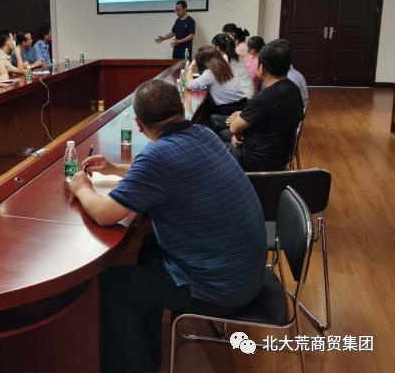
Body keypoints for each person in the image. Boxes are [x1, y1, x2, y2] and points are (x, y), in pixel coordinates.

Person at [68, 79, 266, 373]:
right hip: (247, 271)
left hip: (222, 290)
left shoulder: (157, 157)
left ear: (138, 124)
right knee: (149, 247)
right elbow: (163, 172)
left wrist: (81, 187)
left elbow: (104, 214)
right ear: (181, 109)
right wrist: (114, 169)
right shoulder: (203, 134)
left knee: (113, 288)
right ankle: (149, 352)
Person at [228, 39, 304, 171]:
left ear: (261, 68)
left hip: (254, 160)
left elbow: (234, 128)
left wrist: (237, 130)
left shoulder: (266, 96)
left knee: (212, 147)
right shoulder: (293, 89)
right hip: (278, 155)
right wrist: (244, 117)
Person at [186, 45, 248, 116]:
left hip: (228, 110)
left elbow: (189, 85)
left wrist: (190, 67)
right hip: (243, 105)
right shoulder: (227, 66)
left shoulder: (210, 73)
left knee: (204, 110)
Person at [212, 33, 255, 99]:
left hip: (243, 97)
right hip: (249, 92)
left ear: (217, 48)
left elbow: (211, 76)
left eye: (213, 47)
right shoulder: (236, 56)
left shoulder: (225, 59)